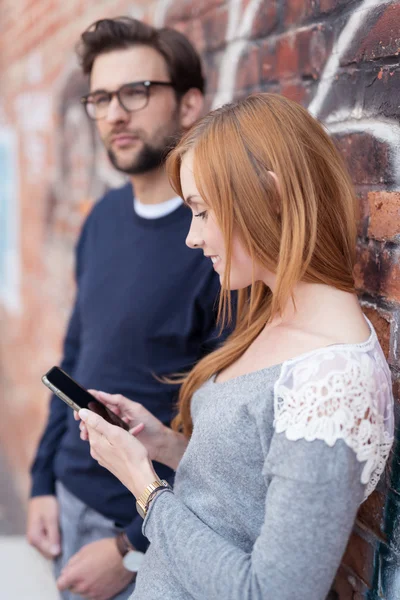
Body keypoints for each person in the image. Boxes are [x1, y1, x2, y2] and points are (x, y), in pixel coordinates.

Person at [76, 93, 394, 600]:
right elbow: (242, 491)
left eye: (201, 212)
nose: (192, 237)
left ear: (268, 196)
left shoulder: (332, 382)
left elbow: (270, 593)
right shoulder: (273, 315)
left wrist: (144, 487)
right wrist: (162, 444)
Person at [27, 17, 223, 600]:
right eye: (101, 97)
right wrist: (42, 480)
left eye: (136, 92)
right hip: (67, 496)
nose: (115, 113)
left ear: (189, 105)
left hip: (147, 524)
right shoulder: (102, 220)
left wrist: (130, 548)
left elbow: (219, 439)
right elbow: (76, 356)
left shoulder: (217, 243)